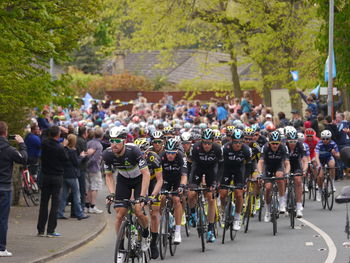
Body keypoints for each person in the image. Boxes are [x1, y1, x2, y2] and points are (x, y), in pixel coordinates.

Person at [103, 126, 151, 263]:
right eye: (111, 140)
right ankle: (121, 249)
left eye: (117, 140)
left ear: (124, 141)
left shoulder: (133, 151)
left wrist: (142, 196)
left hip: (139, 180)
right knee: (119, 213)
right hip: (123, 180)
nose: (114, 144)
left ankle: (146, 232)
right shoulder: (107, 154)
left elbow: (146, 173)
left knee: (138, 210)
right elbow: (108, 176)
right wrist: (111, 193)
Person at [188, 129, 221, 242]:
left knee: (211, 198)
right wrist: (193, 183)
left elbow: (220, 167)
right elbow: (193, 166)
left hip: (211, 170)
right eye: (204, 142)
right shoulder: (196, 147)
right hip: (198, 169)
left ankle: (211, 229)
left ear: (213, 141)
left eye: (209, 143)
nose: (206, 145)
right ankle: (192, 213)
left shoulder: (217, 149)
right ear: (201, 141)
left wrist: (216, 182)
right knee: (191, 193)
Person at [0, 121, 27, 257]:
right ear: (6, 133)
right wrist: (21, 144)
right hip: (4, 187)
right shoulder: (10, 149)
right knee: (2, 218)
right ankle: (1, 248)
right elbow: (23, 159)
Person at [37, 125, 68, 237]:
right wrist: (64, 147)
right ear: (58, 135)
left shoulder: (44, 143)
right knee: (55, 204)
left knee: (44, 203)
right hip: (56, 177)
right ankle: (50, 230)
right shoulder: (60, 148)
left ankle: (40, 230)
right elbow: (65, 160)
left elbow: (43, 133)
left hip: (45, 175)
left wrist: (55, 128)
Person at [220, 129, 252, 230]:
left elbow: (248, 166)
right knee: (223, 193)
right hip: (226, 170)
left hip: (239, 170)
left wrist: (246, 181)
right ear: (231, 140)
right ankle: (223, 211)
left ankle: (237, 218)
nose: (238, 145)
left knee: (239, 193)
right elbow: (219, 165)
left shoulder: (246, 150)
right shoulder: (225, 148)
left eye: (240, 142)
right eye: (235, 142)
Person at [257, 131, 290, 222]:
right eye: (273, 144)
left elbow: (287, 163)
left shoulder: (283, 147)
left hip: (278, 166)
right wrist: (260, 173)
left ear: (280, 143)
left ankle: (282, 202)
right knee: (268, 188)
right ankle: (267, 211)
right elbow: (260, 162)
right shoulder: (265, 147)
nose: (275, 146)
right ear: (269, 143)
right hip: (268, 168)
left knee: (280, 176)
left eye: (277, 144)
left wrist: (286, 173)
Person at [160, 138, 187, 244]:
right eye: (168, 153)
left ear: (176, 152)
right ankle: (164, 218)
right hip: (165, 179)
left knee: (176, 199)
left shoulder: (181, 157)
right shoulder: (161, 157)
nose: (170, 155)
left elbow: (184, 175)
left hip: (177, 179)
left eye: (172, 153)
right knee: (161, 197)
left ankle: (177, 231)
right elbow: (157, 175)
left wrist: (182, 186)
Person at [57, 134, 89, 220]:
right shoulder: (72, 151)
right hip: (72, 175)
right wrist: (81, 156)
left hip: (64, 174)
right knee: (76, 194)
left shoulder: (64, 150)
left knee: (63, 195)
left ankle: (59, 212)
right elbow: (76, 163)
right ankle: (79, 213)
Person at [86, 128, 104, 214]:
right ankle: (92, 206)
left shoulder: (88, 143)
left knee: (89, 187)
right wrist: (88, 164)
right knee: (94, 187)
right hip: (94, 168)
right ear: (101, 136)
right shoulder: (99, 145)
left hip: (87, 168)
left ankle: (87, 205)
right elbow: (95, 159)